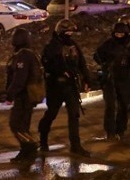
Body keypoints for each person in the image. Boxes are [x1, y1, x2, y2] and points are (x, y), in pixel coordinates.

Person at [38, 19, 92, 157]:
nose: (69, 35)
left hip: (71, 86)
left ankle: (75, 145)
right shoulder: (51, 46)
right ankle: (43, 140)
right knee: (51, 114)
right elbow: (47, 63)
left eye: (70, 32)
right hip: (55, 86)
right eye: (67, 32)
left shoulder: (73, 45)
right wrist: (61, 71)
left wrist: (87, 79)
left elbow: (81, 63)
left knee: (74, 115)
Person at [93, 22, 130, 141]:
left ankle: (120, 129)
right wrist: (105, 64)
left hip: (124, 79)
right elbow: (97, 55)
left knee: (123, 105)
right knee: (110, 106)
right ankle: (110, 131)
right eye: (117, 34)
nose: (119, 36)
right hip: (110, 78)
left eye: (121, 34)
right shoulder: (108, 44)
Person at [5, 28, 44, 162]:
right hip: (28, 95)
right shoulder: (29, 53)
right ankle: (26, 152)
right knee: (23, 126)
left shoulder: (23, 56)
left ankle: (31, 146)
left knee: (16, 124)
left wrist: (10, 94)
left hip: (24, 95)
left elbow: (20, 79)